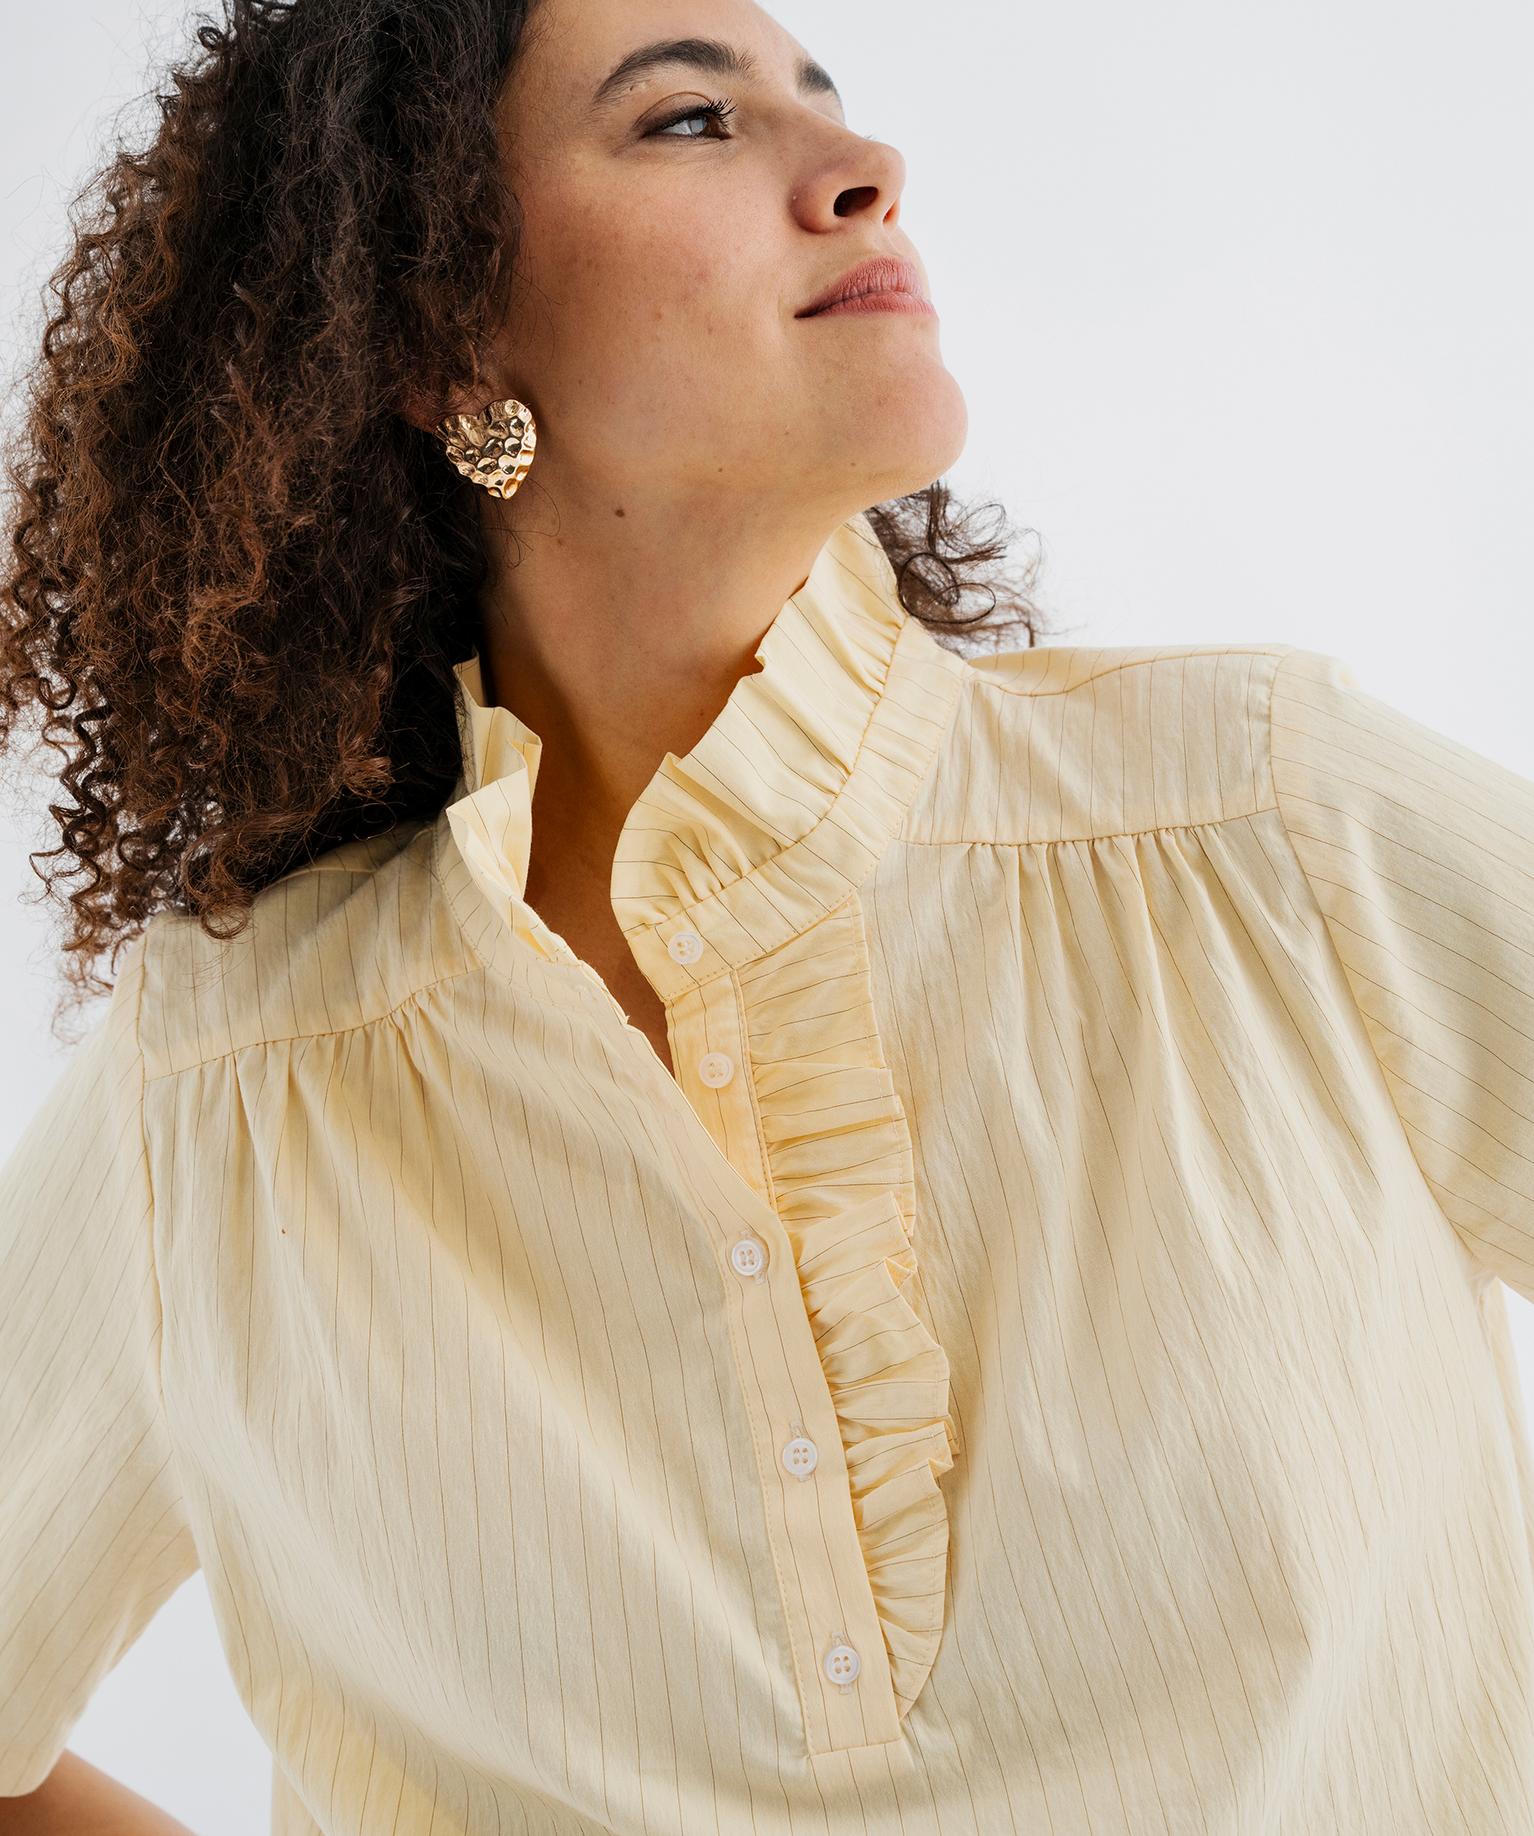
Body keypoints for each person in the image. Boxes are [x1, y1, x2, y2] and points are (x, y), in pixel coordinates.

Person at [3, 1, 1534, 1833]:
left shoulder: (1266, 827)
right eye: (688, 121)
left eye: (826, 101)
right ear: (435, 330)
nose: (865, 170)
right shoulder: (227, 1075)